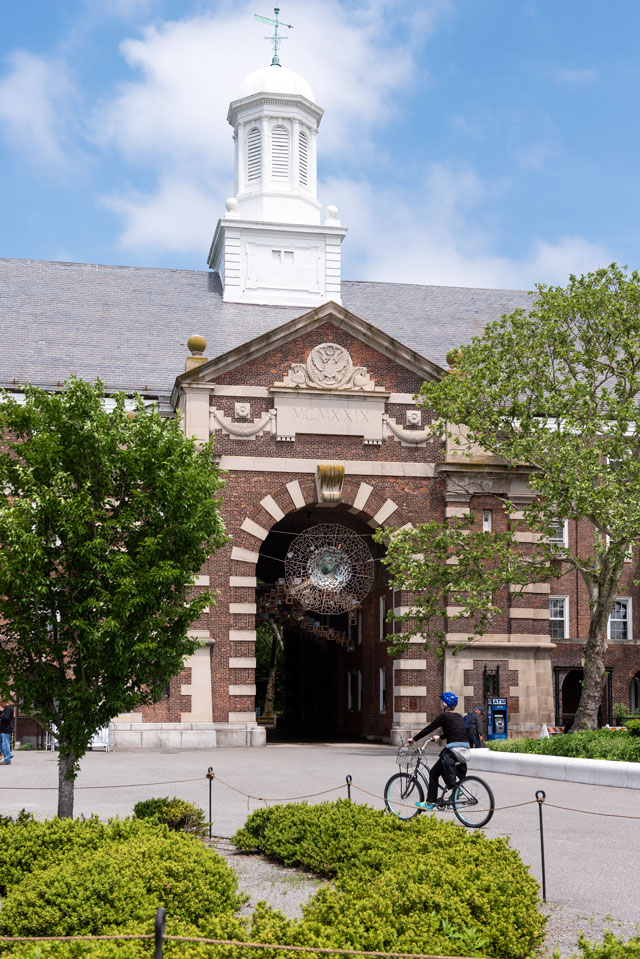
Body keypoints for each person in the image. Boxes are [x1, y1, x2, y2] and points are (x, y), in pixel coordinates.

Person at [407, 691, 469, 810]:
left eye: (441, 702)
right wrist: (440, 737)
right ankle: (457, 789)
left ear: (445, 705)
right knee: (446, 769)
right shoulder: (459, 717)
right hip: (465, 750)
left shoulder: (444, 717)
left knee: (434, 773)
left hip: (453, 750)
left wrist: (414, 739)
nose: (440, 704)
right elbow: (455, 731)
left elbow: (429, 728)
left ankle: (430, 803)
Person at [0, 700, 14, 765]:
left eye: (1, 704)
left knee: (5, 745)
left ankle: (7, 760)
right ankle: (9, 754)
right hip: (3, 729)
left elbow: (6, 717)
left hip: (6, 729)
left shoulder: (9, 708)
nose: (0, 705)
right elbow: (2, 713)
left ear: (4, 703)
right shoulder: (6, 709)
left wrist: (1, 715)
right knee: (2, 745)